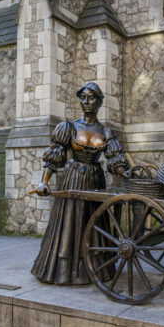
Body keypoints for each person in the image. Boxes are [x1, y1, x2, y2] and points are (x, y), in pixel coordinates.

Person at [31, 82, 128, 285]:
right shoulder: (69, 127)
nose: (86, 102)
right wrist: (44, 182)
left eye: (91, 97)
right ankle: (63, 272)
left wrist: (123, 171)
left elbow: (114, 161)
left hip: (94, 180)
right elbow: (54, 157)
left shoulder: (106, 132)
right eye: (82, 97)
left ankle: (95, 270)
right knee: (68, 223)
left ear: (100, 101)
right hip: (72, 178)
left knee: (93, 223)